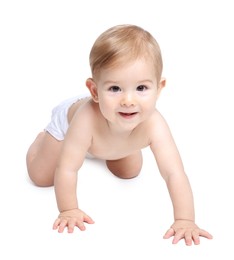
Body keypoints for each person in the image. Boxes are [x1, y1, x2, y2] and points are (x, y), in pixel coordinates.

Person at [26, 24, 213, 246]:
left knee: (130, 172)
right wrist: (69, 209)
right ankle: (43, 139)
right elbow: (68, 168)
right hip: (70, 130)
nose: (128, 100)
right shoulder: (84, 120)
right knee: (42, 177)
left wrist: (185, 220)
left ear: (159, 88)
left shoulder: (154, 123)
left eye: (141, 88)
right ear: (95, 91)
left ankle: (115, 147)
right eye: (115, 88)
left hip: (113, 135)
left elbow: (174, 172)